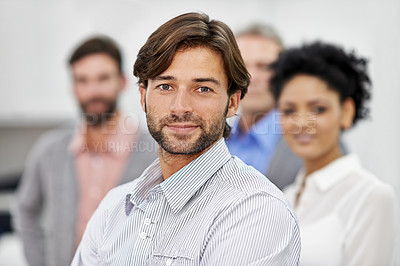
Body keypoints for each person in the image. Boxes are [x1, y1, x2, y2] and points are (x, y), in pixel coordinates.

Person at [71, 12, 300, 265]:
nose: (180, 107)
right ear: (142, 96)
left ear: (233, 101)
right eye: (165, 86)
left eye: (203, 89)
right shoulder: (113, 208)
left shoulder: (255, 211)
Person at [12, 36, 158, 266]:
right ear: (73, 87)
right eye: (82, 80)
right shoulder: (50, 150)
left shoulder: (154, 153)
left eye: (102, 78)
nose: (93, 91)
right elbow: (25, 210)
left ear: (121, 82)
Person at [270, 41, 399, 265]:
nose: (302, 123)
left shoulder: (371, 196)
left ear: (346, 112)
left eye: (318, 109)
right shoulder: (286, 196)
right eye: (289, 110)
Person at [226, 23, 302, 190]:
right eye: (241, 66)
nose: (251, 77)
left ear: (284, 74)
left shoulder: (313, 139)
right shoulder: (215, 139)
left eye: (265, 67)